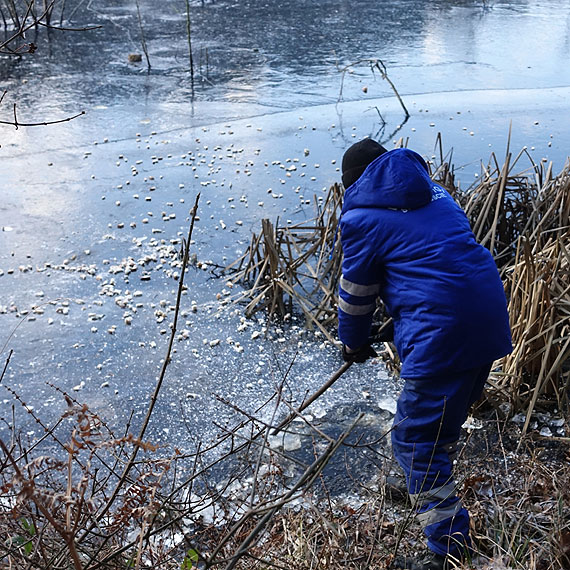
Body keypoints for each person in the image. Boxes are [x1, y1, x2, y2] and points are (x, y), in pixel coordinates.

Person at [337, 138, 512, 570]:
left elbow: (357, 295)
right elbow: (435, 265)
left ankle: (448, 551)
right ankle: (421, 484)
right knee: (439, 428)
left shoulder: (361, 217)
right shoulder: (438, 194)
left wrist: (353, 342)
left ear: (353, 183)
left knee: (417, 442)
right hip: (487, 320)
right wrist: (401, 316)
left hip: (441, 337)